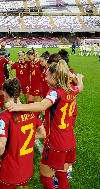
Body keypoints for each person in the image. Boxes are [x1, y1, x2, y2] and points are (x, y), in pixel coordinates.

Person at [6, 61, 84, 189]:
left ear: (54, 77)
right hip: (70, 140)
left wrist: (18, 106)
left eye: (47, 76)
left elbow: (42, 105)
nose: (45, 78)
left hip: (55, 142)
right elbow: (80, 87)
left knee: (45, 177)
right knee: (61, 175)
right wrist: (79, 79)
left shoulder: (55, 92)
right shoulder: (71, 89)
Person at [0, 78, 46, 189]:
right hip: (27, 168)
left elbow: (0, 149)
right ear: (20, 92)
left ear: (4, 92)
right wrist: (20, 137)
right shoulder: (31, 111)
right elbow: (43, 133)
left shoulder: (4, 117)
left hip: (10, 171)